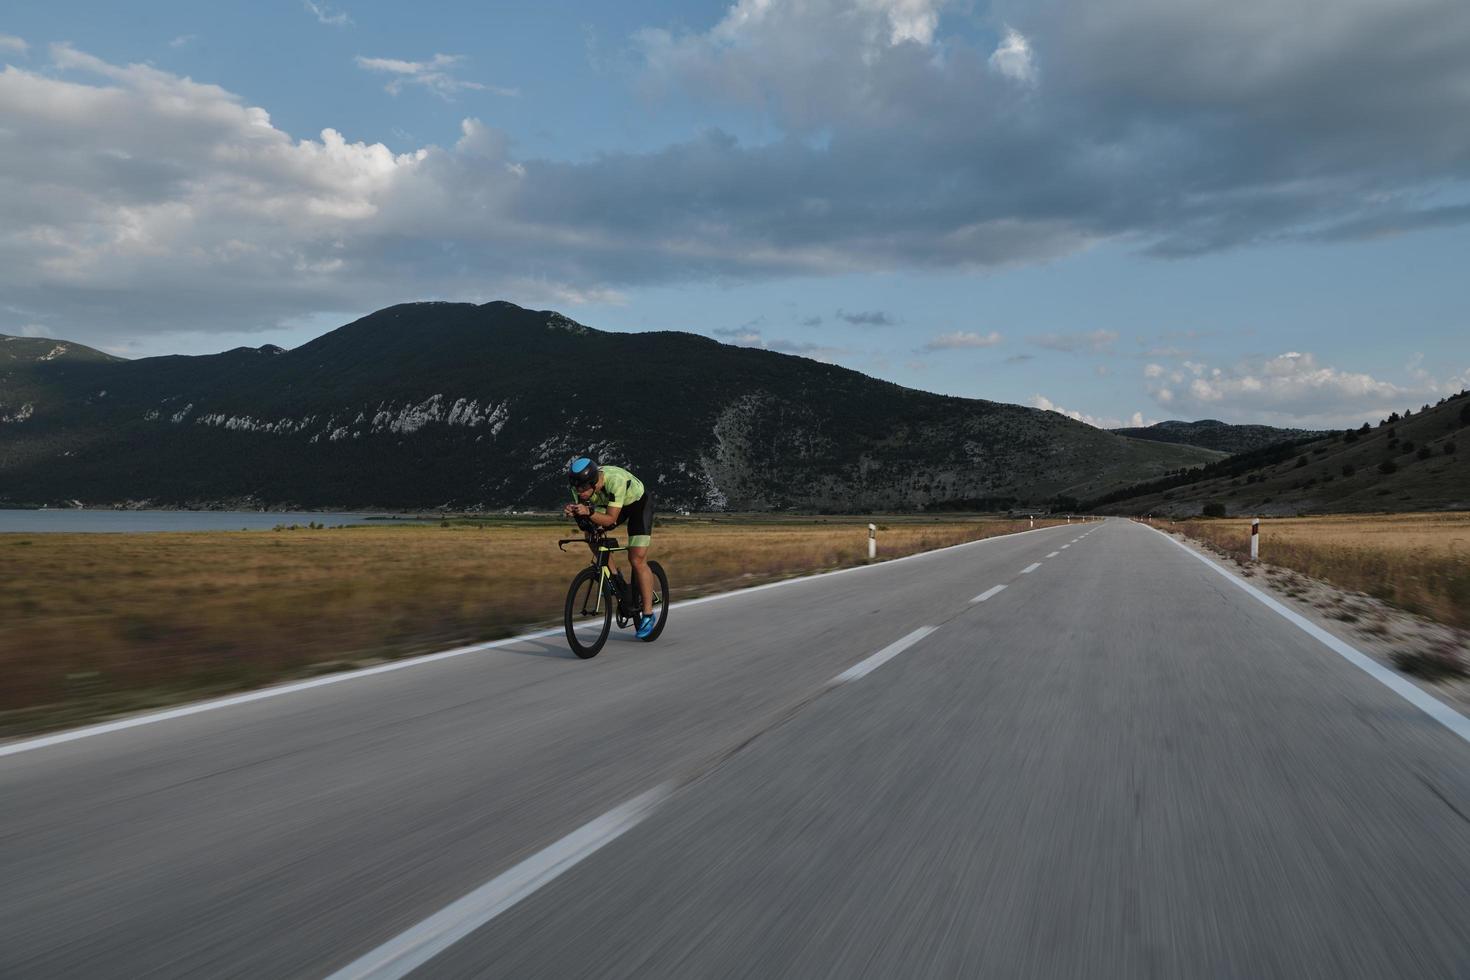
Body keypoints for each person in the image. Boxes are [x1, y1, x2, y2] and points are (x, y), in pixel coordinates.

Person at [563, 457, 658, 638]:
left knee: (636, 559)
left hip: (638, 505)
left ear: (593, 483)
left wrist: (589, 512)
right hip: (613, 506)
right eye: (576, 488)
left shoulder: (615, 481)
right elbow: (585, 521)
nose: (579, 492)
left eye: (583, 488)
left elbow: (610, 519)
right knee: (591, 535)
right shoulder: (579, 487)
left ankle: (648, 614)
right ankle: (616, 579)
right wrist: (573, 511)